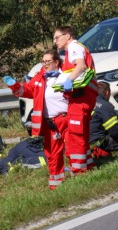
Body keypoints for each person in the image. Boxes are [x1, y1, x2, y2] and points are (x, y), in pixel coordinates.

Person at [4, 49, 69, 189]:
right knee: (51, 154)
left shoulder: (65, 76)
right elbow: (28, 90)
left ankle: (78, 177)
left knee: (71, 150)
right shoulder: (41, 77)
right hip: (49, 123)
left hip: (65, 119)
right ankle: (56, 185)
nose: (44, 64)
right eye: (43, 61)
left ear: (56, 62)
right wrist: (15, 85)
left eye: (48, 61)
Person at [52, 26, 98, 175]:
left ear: (68, 36)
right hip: (81, 97)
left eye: (57, 37)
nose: (55, 41)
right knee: (81, 133)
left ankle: (79, 170)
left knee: (75, 135)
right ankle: (88, 165)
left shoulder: (73, 47)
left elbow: (81, 65)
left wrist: (68, 80)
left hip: (81, 97)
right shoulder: (72, 50)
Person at [90, 82, 118, 158]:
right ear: (107, 92)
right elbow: (115, 131)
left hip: (83, 145)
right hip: (97, 144)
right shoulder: (105, 105)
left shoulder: (89, 101)